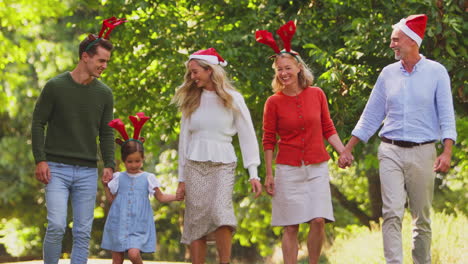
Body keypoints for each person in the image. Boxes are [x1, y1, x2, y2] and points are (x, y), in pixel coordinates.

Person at [339, 14, 457, 264]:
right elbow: (371, 115)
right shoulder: (387, 74)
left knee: (421, 216)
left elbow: (447, 115)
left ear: (412, 41)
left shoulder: (437, 72)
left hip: (423, 151)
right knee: (391, 212)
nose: (391, 44)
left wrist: (446, 152)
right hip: (390, 150)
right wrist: (348, 149)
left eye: (395, 40)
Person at [31, 17, 126, 264]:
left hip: (86, 171)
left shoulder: (104, 94)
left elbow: (106, 132)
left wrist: (109, 164)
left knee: (83, 232)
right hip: (56, 169)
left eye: (107, 61)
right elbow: (38, 123)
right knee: (56, 225)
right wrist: (40, 160)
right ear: (85, 56)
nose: (104, 65)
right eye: (101, 60)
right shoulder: (55, 87)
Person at [256, 21, 352, 264]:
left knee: (318, 220)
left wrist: (343, 151)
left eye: (287, 68)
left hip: (317, 166)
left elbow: (328, 128)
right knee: (290, 227)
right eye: (279, 69)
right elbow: (268, 140)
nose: (283, 73)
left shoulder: (317, 94)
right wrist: (269, 174)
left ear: (299, 68)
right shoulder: (273, 102)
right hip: (287, 169)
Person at [172, 48, 262, 264]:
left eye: (195, 72)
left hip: (223, 164)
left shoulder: (234, 99)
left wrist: (253, 173)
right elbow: (184, 140)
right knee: (196, 220)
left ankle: (225, 262)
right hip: (194, 165)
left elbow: (247, 135)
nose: (192, 77)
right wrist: (181, 178)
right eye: (190, 73)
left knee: (221, 213)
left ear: (210, 70)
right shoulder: (190, 100)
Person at [101, 113, 180, 264]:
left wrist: (177, 196)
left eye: (137, 161)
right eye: (130, 161)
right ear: (124, 160)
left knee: (133, 254)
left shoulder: (148, 178)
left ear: (143, 158)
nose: (134, 164)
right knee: (117, 259)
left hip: (139, 224)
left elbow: (161, 197)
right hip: (118, 222)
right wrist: (105, 186)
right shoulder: (118, 178)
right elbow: (112, 200)